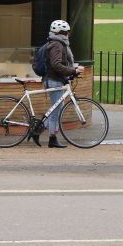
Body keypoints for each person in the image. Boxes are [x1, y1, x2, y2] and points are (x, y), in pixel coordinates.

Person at [28, 20, 84, 149]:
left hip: (57, 79)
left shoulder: (58, 43)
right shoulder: (57, 45)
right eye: (66, 32)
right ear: (62, 33)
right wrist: (73, 70)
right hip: (54, 80)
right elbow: (56, 65)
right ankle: (51, 138)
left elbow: (60, 64)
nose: (68, 34)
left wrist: (72, 71)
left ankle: (39, 130)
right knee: (55, 112)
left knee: (56, 110)